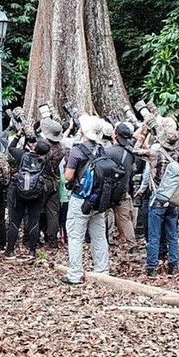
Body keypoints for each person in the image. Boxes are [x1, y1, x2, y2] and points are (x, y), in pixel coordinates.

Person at [62, 115, 110, 285]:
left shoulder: (77, 151)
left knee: (75, 236)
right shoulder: (102, 149)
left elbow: (68, 177)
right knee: (99, 236)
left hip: (80, 199)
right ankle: (102, 272)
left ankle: (75, 274)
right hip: (97, 201)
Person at [143, 129, 179, 275]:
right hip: (172, 199)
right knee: (172, 235)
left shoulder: (155, 154)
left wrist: (144, 134)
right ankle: (173, 266)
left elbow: (135, 150)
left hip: (158, 198)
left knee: (154, 235)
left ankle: (152, 267)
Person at [6, 139, 49, 258]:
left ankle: (10, 250)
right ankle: (32, 251)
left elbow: (11, 148)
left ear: (35, 147)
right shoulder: (45, 160)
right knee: (34, 222)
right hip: (36, 193)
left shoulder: (22, 155)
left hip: (20, 192)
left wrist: (19, 136)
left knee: (15, 221)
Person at [107, 122, 139, 253]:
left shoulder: (108, 152)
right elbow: (132, 170)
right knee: (126, 219)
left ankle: (104, 240)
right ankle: (133, 246)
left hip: (107, 191)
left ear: (115, 135)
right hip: (123, 190)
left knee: (102, 216)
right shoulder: (130, 153)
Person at [39, 119, 66, 247]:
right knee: (53, 212)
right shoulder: (62, 148)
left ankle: (35, 237)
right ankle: (52, 240)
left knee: (37, 209)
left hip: (44, 180)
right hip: (56, 180)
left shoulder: (44, 147)